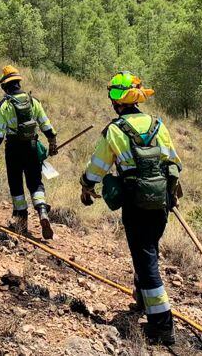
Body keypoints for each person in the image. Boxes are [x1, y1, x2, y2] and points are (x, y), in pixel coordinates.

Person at [78, 72, 183, 346]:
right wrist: (173, 193)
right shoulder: (159, 125)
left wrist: (87, 186)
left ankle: (162, 325)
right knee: (149, 249)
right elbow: (173, 162)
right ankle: (141, 297)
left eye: (113, 95)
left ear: (119, 101)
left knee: (145, 257)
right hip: (161, 203)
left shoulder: (115, 130)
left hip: (135, 204)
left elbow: (98, 166)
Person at [0, 66, 58, 240]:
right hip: (32, 148)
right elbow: (46, 125)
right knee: (35, 182)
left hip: (13, 149)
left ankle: (21, 223)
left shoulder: (5, 105)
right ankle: (42, 210)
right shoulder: (33, 101)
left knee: (16, 184)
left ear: (5, 86)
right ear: (18, 83)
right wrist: (52, 143)